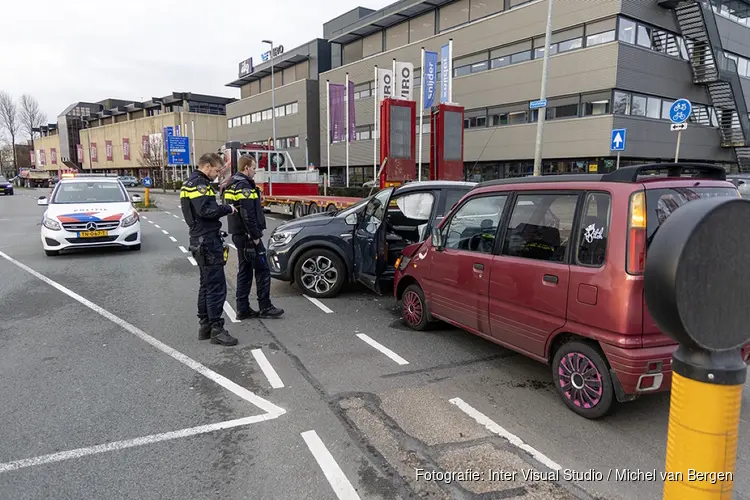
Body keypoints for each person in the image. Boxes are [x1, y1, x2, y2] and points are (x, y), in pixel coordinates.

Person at [181, 153, 239, 346]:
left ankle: (204, 326)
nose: (217, 174)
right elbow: (206, 211)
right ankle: (217, 329)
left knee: (205, 284)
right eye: (216, 170)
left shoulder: (188, 184)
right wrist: (227, 208)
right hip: (207, 241)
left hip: (199, 239)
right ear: (206, 166)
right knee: (216, 286)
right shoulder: (200, 185)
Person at [223, 155, 284, 319]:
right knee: (263, 269)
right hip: (248, 236)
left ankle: (243, 309)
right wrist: (255, 236)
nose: (255, 172)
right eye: (254, 168)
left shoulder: (232, 183)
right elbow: (247, 213)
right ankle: (265, 306)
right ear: (246, 168)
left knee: (245, 271)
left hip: (239, 234)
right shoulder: (243, 185)